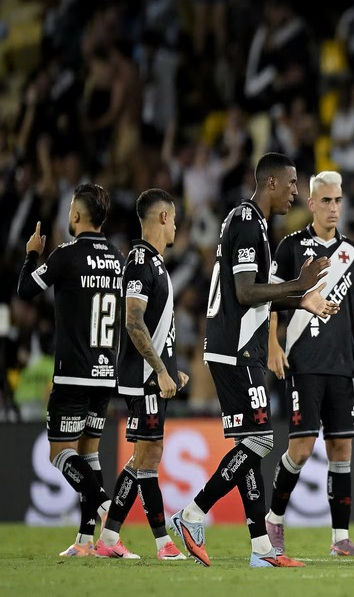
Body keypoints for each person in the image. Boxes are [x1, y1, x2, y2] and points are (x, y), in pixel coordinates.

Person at [170, 152, 338, 568]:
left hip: (237, 346)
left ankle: (262, 549)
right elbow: (246, 292)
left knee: (252, 442)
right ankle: (192, 515)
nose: (297, 192)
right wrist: (298, 285)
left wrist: (302, 299)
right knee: (261, 441)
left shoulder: (249, 222)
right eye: (293, 184)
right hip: (236, 348)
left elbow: (255, 289)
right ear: (271, 183)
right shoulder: (247, 222)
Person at [265, 170, 354, 556]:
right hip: (304, 362)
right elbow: (272, 299)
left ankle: (340, 539)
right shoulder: (290, 247)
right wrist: (273, 343)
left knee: (342, 450)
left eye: (338, 200)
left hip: (342, 363)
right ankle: (274, 519)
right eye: (326, 200)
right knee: (302, 449)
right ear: (311, 204)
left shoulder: (352, 252)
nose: (334, 207)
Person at [17, 184, 122, 557]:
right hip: (106, 373)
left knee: (60, 454)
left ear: (76, 216)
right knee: (89, 454)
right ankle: (84, 541)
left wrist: (32, 255)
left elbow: (26, 290)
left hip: (74, 372)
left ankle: (105, 505)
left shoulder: (67, 254)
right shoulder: (116, 257)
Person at [96, 188, 188, 560]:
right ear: (163, 218)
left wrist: (172, 370)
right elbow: (133, 322)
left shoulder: (154, 262)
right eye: (175, 218)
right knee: (147, 456)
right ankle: (162, 543)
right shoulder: (140, 262)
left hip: (154, 374)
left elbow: (156, 324)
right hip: (143, 376)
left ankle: (109, 538)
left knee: (146, 456)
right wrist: (161, 370)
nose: (177, 226)